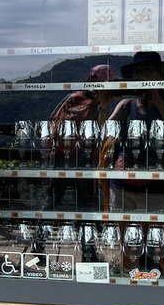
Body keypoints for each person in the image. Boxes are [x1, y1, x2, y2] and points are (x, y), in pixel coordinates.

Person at [102, 51, 164, 212]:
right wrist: (104, 105)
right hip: (121, 186)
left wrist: (158, 103)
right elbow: (102, 134)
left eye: (148, 70)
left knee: (157, 235)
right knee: (121, 236)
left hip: (159, 188)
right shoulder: (125, 105)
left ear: (161, 76)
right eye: (137, 72)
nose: (141, 76)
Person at [45, 63, 122, 209]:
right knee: (85, 200)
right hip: (85, 156)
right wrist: (105, 105)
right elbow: (102, 130)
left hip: (61, 154)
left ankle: (41, 226)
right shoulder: (98, 102)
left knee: (53, 196)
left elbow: (53, 120)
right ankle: (84, 229)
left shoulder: (74, 96)